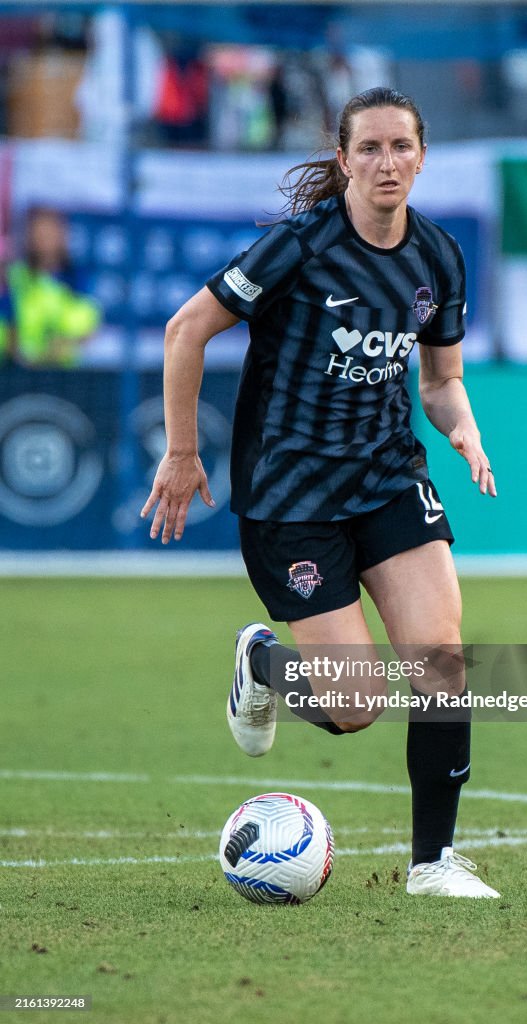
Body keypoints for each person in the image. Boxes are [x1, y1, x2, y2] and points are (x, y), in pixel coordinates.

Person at [141, 87, 499, 899]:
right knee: (354, 707)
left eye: (400, 147)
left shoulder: (438, 256)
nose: (385, 162)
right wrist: (184, 450)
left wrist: (464, 430)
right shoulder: (299, 248)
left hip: (386, 476)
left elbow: (442, 381)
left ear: (421, 157)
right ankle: (263, 664)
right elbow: (185, 328)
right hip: (291, 496)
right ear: (343, 160)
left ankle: (432, 865)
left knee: (441, 657)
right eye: (367, 148)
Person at [1, 206, 100, 367]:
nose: (44, 239)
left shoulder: (77, 279)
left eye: (50, 232)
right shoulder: (14, 276)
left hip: (63, 374)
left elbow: (88, 325)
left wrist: (64, 343)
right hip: (17, 369)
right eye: (39, 232)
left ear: (63, 235)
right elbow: (6, 321)